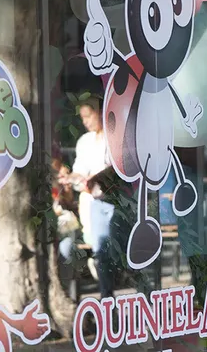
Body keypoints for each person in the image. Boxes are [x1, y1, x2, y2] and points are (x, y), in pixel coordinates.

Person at [68, 99, 116, 297]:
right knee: (101, 251)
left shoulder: (114, 137)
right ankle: (107, 298)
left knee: (123, 251)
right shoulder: (85, 141)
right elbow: (79, 170)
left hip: (117, 200)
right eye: (83, 118)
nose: (85, 121)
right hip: (96, 202)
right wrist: (73, 178)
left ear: (100, 112)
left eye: (88, 116)